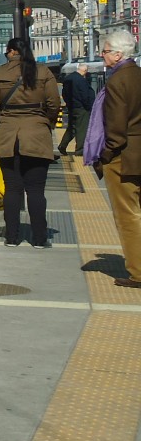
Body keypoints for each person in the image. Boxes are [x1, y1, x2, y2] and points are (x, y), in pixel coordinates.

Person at [0, 36, 61, 248]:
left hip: (7, 135)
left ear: (11, 52)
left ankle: (11, 237)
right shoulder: (43, 71)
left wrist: (2, 121)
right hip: (37, 134)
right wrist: (46, 122)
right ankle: (39, 239)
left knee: (12, 189)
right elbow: (54, 103)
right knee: (36, 190)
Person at [87, 31, 141, 287]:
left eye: (106, 51)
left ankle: (138, 271)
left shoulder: (118, 81)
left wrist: (105, 156)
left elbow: (116, 129)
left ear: (119, 54)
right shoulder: (138, 74)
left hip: (124, 157)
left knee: (127, 215)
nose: (102, 55)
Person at [57, 63, 94, 156]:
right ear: (84, 71)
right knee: (81, 129)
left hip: (72, 107)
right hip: (82, 108)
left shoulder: (68, 79)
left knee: (71, 128)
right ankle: (79, 150)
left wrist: (68, 104)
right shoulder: (81, 80)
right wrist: (88, 106)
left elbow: (64, 94)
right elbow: (84, 95)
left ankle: (62, 145)